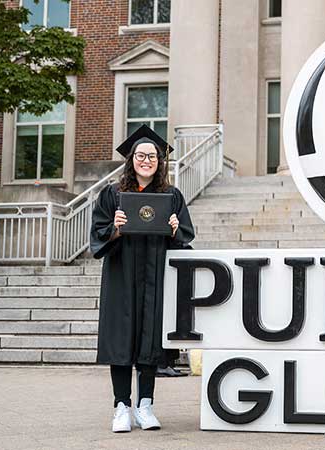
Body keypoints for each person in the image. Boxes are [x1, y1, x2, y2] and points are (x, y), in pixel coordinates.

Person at [90, 124, 195, 433]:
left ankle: (145, 405)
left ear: (160, 161)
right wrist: (116, 228)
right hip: (122, 275)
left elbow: (184, 238)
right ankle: (122, 406)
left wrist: (176, 228)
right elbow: (97, 235)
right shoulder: (112, 194)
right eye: (141, 155)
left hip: (155, 278)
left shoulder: (171, 195)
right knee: (121, 339)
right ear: (131, 158)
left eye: (152, 155)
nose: (146, 160)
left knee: (150, 340)